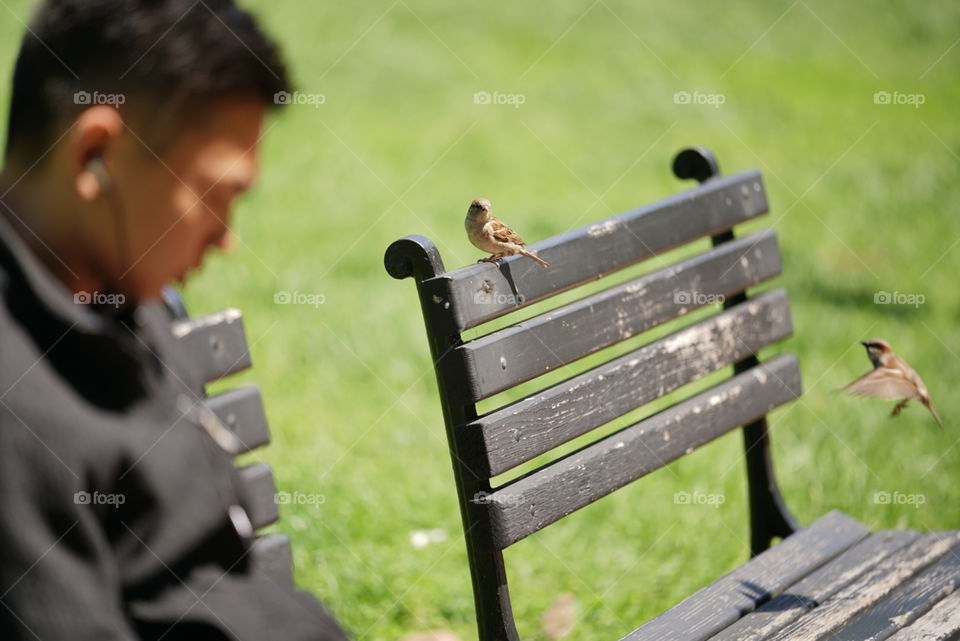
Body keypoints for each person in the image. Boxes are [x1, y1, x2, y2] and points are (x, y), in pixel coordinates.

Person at [0, 1, 350, 639]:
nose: (224, 241)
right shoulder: (20, 415)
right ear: (93, 158)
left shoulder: (112, 298)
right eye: (215, 196)